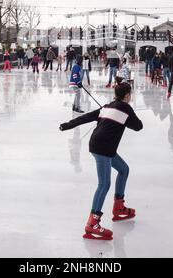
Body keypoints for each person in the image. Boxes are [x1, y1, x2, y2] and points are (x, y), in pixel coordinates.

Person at [59, 81, 143, 241]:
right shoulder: (125, 108)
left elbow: (86, 117)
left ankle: (118, 208)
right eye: (130, 94)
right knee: (104, 184)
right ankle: (92, 223)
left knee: (124, 170)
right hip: (103, 148)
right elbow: (138, 126)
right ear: (127, 95)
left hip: (102, 146)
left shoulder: (107, 107)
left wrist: (68, 125)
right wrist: (126, 118)